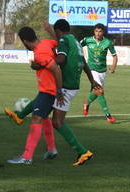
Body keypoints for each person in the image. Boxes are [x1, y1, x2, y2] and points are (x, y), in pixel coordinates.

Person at [45, 19, 101, 166]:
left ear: (58, 31)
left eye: (55, 33)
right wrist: (91, 80)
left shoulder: (64, 39)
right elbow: (84, 64)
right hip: (73, 85)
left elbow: (61, 58)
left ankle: (83, 152)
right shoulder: (74, 41)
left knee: (57, 122)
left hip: (65, 86)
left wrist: (46, 63)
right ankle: (21, 115)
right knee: (44, 105)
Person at [6, 26, 64, 165]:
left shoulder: (40, 53)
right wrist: (51, 32)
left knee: (36, 119)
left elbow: (55, 70)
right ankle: (51, 149)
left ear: (25, 40)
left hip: (49, 91)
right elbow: (60, 43)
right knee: (43, 119)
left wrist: (59, 90)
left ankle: (27, 156)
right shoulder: (46, 42)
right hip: (46, 89)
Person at [80, 23, 118, 123]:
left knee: (96, 92)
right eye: (96, 31)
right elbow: (77, 46)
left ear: (103, 32)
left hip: (102, 71)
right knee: (100, 91)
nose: (98, 33)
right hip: (91, 69)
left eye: (100, 31)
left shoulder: (107, 42)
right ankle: (108, 116)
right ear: (94, 31)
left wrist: (113, 67)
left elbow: (114, 56)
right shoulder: (87, 40)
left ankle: (86, 102)